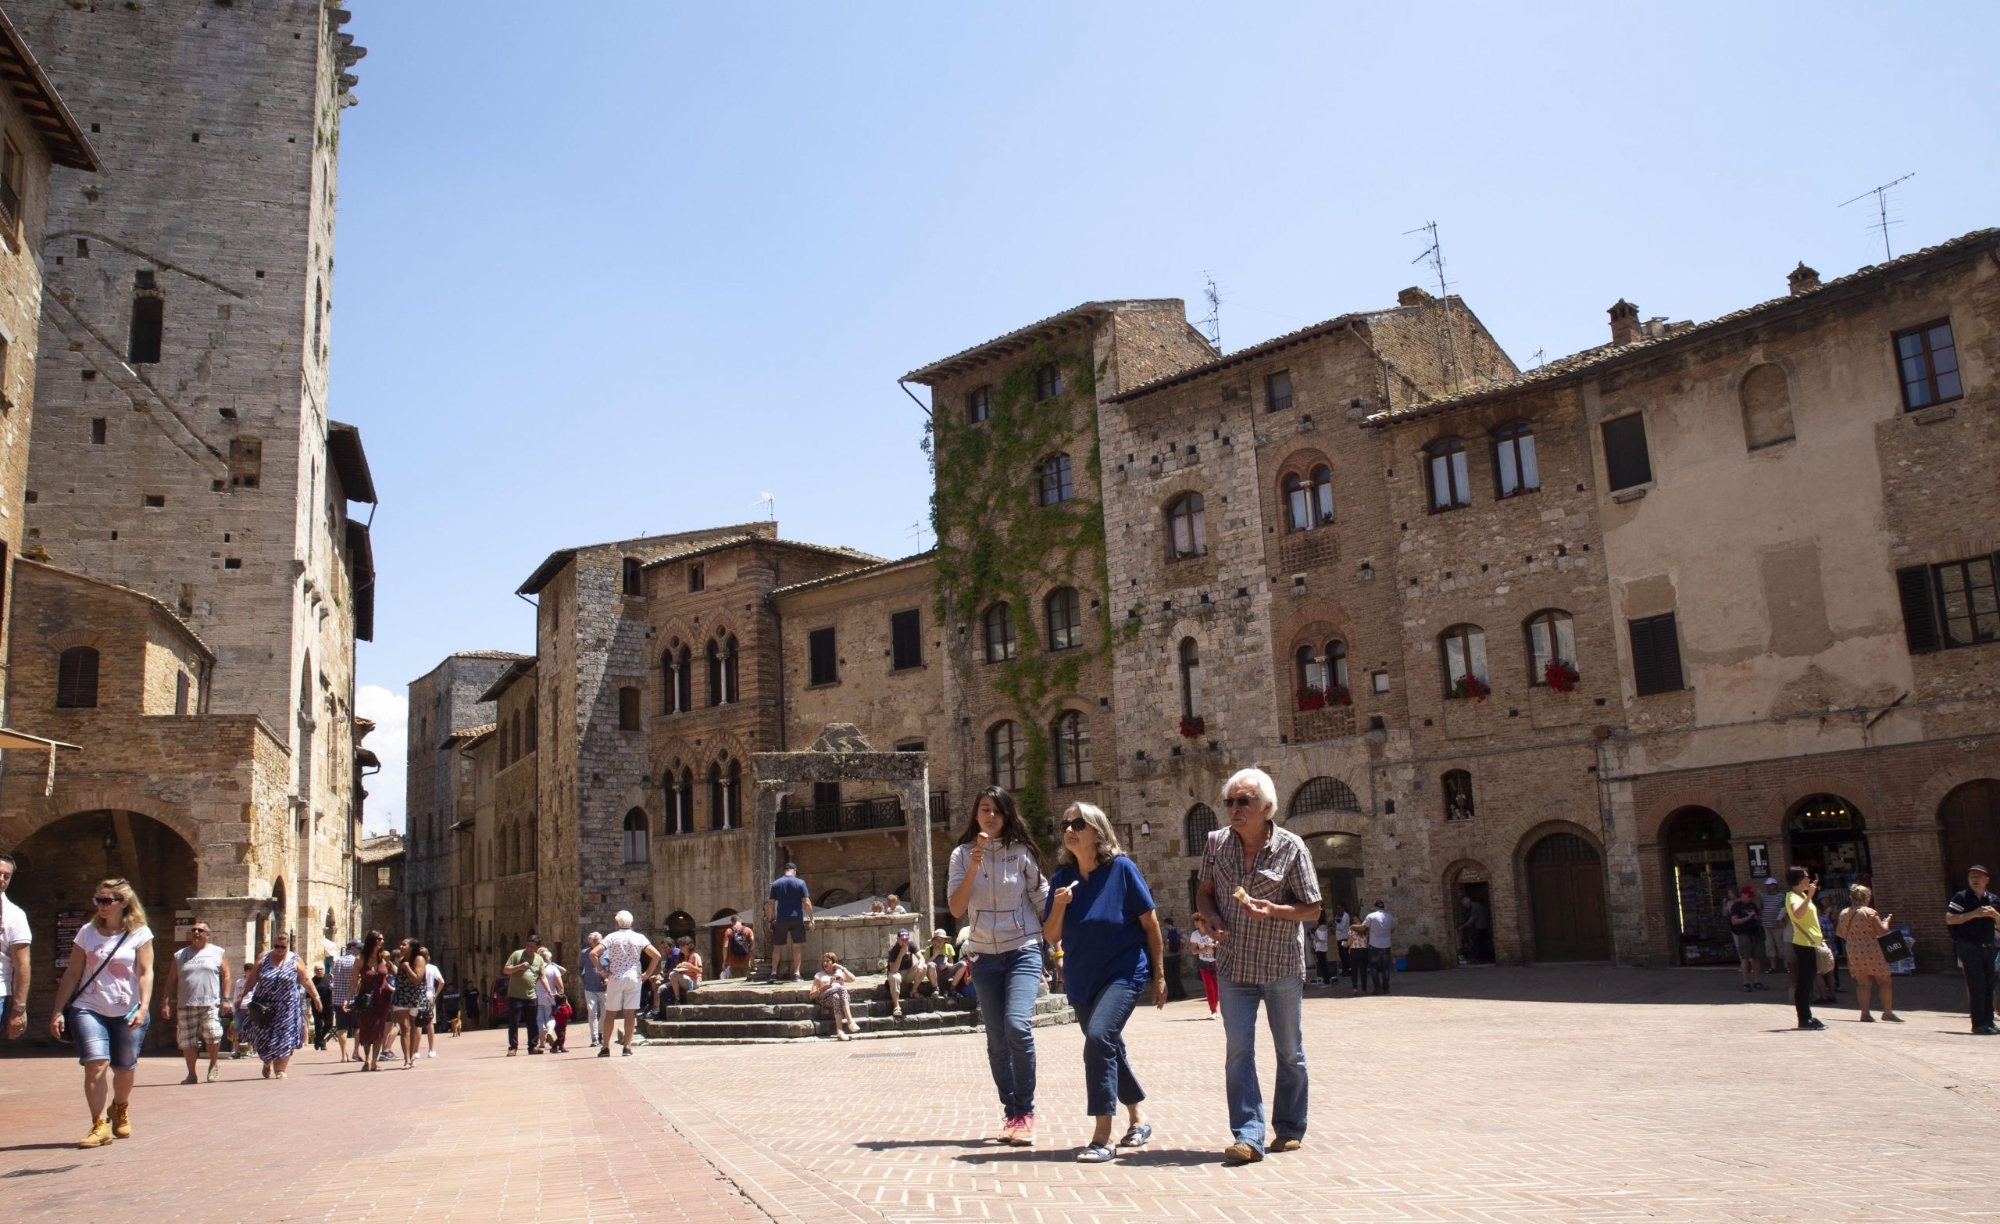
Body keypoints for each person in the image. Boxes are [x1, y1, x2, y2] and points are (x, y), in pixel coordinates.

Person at [1197, 768, 1321, 1165]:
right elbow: (1205, 893)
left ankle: (1289, 1127)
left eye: (1243, 801)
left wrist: (1276, 910)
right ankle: (1248, 1135)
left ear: (1266, 808)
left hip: (1280, 964)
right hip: (1234, 966)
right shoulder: (1216, 844)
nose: (1234, 808)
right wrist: (1211, 917)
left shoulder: (1292, 848)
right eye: (1230, 802)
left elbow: (1313, 909)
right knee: (1239, 1052)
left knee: (1290, 1053)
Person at [1043, 802, 1164, 1163]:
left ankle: (1102, 1136)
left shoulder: (1122, 870)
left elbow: (1151, 924)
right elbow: (1051, 935)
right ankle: (1139, 1117)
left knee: (1098, 1039)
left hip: (1123, 973)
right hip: (1082, 980)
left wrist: (1159, 975)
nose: (1069, 829)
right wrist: (1061, 905)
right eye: (1065, 823)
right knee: (1107, 1045)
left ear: (1097, 831)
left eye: (1078, 823)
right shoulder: (1062, 879)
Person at [948, 785, 1050, 1147]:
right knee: (995, 1040)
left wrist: (1063, 932)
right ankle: (1012, 1113)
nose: (990, 816)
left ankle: (1026, 1110)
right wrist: (974, 866)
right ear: (976, 814)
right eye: (984, 809)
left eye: (997, 811)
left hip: (1023, 948)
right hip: (983, 956)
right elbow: (957, 908)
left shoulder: (1021, 853)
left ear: (1007, 816)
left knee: (1016, 1026)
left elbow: (1042, 898)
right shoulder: (961, 855)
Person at [47, 878, 154, 1148]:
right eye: (98, 900)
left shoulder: (139, 933)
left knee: (124, 1069)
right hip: (89, 1007)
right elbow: (72, 973)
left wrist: (143, 1006)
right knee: (95, 1064)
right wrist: (58, 1011)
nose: (101, 906)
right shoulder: (87, 932)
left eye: (107, 901)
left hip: (127, 1010)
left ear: (124, 903)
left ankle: (119, 1107)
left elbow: (145, 972)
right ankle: (99, 1124)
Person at [160, 920, 231, 1083]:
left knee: (213, 1034)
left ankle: (213, 1065)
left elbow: (226, 976)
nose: (196, 933)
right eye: (194, 930)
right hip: (186, 1003)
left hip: (209, 1002)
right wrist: (165, 1003)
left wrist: (225, 999)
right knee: (187, 1040)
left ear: (208, 935)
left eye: (200, 930)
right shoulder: (180, 955)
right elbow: (171, 980)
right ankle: (192, 1074)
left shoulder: (217, 952)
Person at [244, 930, 319, 1078]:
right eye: (276, 946)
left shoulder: (295, 960)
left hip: (287, 1007)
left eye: (282, 947)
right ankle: (267, 1061)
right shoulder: (264, 957)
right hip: (264, 1005)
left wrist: (316, 997)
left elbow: (305, 980)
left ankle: (280, 1070)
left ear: (288, 947)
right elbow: (253, 979)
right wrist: (241, 995)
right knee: (263, 1036)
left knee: (285, 1037)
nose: (279, 949)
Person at [599, 910, 663, 1056]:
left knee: (611, 1013)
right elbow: (656, 955)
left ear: (617, 922)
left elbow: (593, 953)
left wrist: (602, 971)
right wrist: (647, 974)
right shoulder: (639, 937)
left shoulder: (611, 937)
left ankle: (605, 1048)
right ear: (631, 922)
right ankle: (627, 1047)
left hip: (616, 977)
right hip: (634, 977)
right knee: (630, 1013)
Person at [1945, 864, 2000, 1035]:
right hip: (1969, 947)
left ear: (1986, 880)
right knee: (1976, 985)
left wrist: (1996, 916)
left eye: (1978, 877)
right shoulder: (1961, 897)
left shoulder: (1993, 899)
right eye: (1972, 877)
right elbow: (1950, 919)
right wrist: (1974, 913)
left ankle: (1989, 1021)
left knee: (1989, 985)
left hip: (1989, 947)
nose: (1975, 880)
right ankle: (1978, 1024)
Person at [1836, 884, 1900, 1023]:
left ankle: (1865, 1013)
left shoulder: (1844, 913)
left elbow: (1839, 933)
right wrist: (1887, 922)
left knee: (1863, 983)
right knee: (1884, 981)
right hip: (1874, 951)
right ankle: (1887, 1012)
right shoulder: (1870, 913)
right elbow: (1882, 932)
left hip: (1855, 953)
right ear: (1866, 898)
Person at [1784, 867, 1826, 1031]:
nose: (1809, 880)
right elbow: (1798, 914)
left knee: (1808, 981)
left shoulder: (1801, 895)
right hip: (1803, 943)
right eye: (1806, 878)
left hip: (1811, 942)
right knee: (1804, 982)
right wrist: (1810, 896)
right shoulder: (1792, 896)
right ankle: (1803, 1018)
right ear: (1798, 880)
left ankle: (1807, 1015)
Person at [502, 933, 549, 1056]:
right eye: (528, 946)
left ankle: (533, 1047)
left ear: (537, 948)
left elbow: (542, 977)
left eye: (532, 947)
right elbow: (506, 970)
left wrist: (549, 991)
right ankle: (513, 1048)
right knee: (514, 1023)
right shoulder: (517, 954)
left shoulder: (539, 959)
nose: (529, 949)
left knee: (532, 1022)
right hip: (515, 995)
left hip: (531, 996)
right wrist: (519, 967)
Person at [0, 853, 31, 1042]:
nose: (2, 879)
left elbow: (23, 966)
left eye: (6, 875)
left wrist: (19, 1009)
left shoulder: (14, 916)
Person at [352, 931, 393, 1069]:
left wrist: (393, 987)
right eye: (379, 939)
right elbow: (354, 981)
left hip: (382, 997)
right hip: (365, 997)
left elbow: (389, 974)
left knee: (379, 1028)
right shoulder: (360, 959)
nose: (382, 941)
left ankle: (374, 1061)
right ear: (372, 941)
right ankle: (367, 1059)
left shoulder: (384, 956)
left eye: (382, 939)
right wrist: (347, 999)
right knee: (366, 1027)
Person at [766, 863, 813, 982]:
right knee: (796, 946)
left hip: (781, 918)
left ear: (785, 870)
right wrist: (811, 919)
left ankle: (773, 973)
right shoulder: (800, 883)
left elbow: (770, 904)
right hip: (796, 918)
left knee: (777, 947)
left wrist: (769, 920)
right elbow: (806, 902)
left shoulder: (776, 884)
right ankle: (796, 974)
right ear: (795, 871)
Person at [389, 938, 427, 1067]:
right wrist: (391, 967)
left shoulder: (419, 960)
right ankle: (407, 1059)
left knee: (414, 1028)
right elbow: (400, 977)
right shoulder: (401, 960)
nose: (401, 946)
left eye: (404, 944)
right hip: (401, 997)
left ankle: (412, 1056)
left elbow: (416, 980)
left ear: (411, 947)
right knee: (405, 1028)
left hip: (415, 998)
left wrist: (406, 967)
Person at [809, 951, 861, 1039]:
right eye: (824, 961)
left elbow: (853, 979)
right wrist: (823, 987)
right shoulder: (819, 975)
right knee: (840, 987)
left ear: (833, 963)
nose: (825, 963)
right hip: (824, 998)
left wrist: (842, 968)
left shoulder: (840, 973)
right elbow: (811, 995)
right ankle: (850, 1021)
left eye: (828, 961)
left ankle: (839, 1031)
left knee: (836, 996)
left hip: (840, 999)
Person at [1726, 886, 1766, 991]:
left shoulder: (1753, 905)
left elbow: (1758, 916)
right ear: (1743, 894)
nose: (1750, 898)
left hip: (1755, 934)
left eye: (1752, 896)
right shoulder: (1736, 906)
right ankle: (1745, 982)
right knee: (1745, 958)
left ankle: (1757, 981)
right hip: (1743, 934)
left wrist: (1757, 918)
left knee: (1757, 958)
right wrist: (1748, 917)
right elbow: (1734, 921)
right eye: (1749, 896)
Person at [327, 938, 360, 1063]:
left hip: (337, 999)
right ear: (352, 948)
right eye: (358, 948)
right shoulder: (355, 961)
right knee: (357, 1027)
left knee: (342, 1027)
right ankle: (356, 1051)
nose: (360, 950)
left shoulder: (338, 961)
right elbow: (356, 981)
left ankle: (343, 1055)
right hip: (352, 998)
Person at [883, 928, 922, 1019]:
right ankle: (896, 1006)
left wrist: (920, 964)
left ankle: (913, 991)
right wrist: (901, 954)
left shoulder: (911, 945)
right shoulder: (893, 949)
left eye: (906, 939)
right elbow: (893, 970)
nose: (904, 941)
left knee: (924, 967)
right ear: (898, 939)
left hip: (908, 972)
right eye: (902, 939)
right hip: (897, 973)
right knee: (894, 977)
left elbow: (921, 958)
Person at [580, 931, 608, 1047]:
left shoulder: (607, 953)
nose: (599, 944)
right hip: (589, 987)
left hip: (604, 988)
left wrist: (608, 979)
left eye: (601, 941)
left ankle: (601, 1032)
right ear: (590, 943)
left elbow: (612, 968)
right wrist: (584, 979)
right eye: (596, 942)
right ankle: (594, 1037)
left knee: (606, 1011)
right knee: (592, 1012)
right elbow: (580, 968)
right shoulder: (584, 953)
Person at [1361, 900, 1396, 994]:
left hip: (1374, 944)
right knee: (1386, 967)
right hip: (1386, 944)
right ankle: (1386, 988)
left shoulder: (1371, 916)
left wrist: (1353, 927)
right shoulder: (1389, 917)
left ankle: (1377, 988)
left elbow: (1364, 927)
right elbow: (1392, 930)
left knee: (1374, 967)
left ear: (1375, 906)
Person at [1189, 913, 1220, 1017]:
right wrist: (1204, 949)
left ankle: (1218, 1007)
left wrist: (1214, 945)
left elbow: (1220, 942)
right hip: (1204, 963)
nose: (1195, 923)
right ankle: (1213, 1010)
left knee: (1217, 986)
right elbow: (1193, 951)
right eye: (1195, 921)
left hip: (1215, 962)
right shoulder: (1195, 935)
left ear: (1202, 921)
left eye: (1197, 920)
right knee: (1208, 987)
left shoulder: (1211, 931)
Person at [1758, 876, 1788, 978]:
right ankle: (1773, 966)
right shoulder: (1763, 896)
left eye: (1770, 885)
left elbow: (1785, 908)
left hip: (1778, 925)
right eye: (1767, 885)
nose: (1768, 887)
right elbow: (1761, 907)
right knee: (1769, 946)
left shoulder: (1781, 896)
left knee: (1781, 945)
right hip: (1766, 924)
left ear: (1775, 886)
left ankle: (1786, 965)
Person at [537, 953, 566, 1050]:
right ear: (548, 959)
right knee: (551, 1017)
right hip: (550, 996)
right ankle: (549, 1031)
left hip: (537, 997)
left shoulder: (535, 969)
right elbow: (560, 985)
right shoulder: (553, 969)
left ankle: (541, 1043)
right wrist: (561, 996)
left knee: (539, 1019)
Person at [420, 947, 444, 1057]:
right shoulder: (433, 968)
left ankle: (415, 1051)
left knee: (417, 1025)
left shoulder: (415, 967)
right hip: (430, 995)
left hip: (418, 996)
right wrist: (435, 995)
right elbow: (441, 982)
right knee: (430, 1024)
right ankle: (431, 1050)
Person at [665, 936, 702, 1004]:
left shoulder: (695, 956)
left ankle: (677, 999)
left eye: (682, 945)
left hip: (694, 981)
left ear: (688, 946)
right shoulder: (682, 957)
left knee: (672, 975)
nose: (680, 948)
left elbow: (700, 971)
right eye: (680, 945)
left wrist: (690, 966)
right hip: (685, 979)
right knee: (662, 987)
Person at [924, 928, 958, 996]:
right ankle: (935, 989)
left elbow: (952, 964)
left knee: (963, 964)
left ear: (944, 940)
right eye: (937, 939)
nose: (939, 941)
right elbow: (925, 964)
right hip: (933, 972)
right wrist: (934, 956)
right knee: (930, 965)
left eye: (941, 939)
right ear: (934, 940)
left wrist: (946, 965)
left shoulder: (949, 947)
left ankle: (952, 988)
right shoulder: (929, 949)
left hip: (946, 972)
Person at [722, 914, 755, 980]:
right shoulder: (748, 930)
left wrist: (724, 960)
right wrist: (750, 949)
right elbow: (753, 941)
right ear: (741, 920)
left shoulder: (729, 931)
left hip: (733, 960)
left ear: (732, 922)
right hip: (746, 959)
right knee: (747, 979)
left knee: (735, 980)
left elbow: (725, 946)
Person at [1161, 916, 1186, 1001]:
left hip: (1167, 956)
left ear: (1166, 923)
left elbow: (1160, 943)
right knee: (1176, 975)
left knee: (1168, 975)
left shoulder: (1163, 931)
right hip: (1177, 955)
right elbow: (1187, 939)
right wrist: (1182, 949)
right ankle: (1180, 993)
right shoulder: (1178, 931)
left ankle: (1170, 995)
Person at [309, 966, 332, 1050]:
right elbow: (308, 996)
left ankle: (317, 1039)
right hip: (316, 1005)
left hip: (328, 1004)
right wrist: (308, 1009)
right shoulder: (312, 981)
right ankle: (322, 1044)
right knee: (318, 1024)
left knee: (329, 1024)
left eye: (321, 969)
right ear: (315, 971)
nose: (319, 971)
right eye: (317, 970)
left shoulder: (328, 978)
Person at [1330, 904, 1353, 988]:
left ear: (1343, 908)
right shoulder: (1338, 916)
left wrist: (1334, 925)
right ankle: (1344, 969)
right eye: (1337, 908)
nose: (1338, 909)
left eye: (1339, 908)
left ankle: (1348, 970)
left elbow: (1342, 927)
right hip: (1339, 938)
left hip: (1344, 937)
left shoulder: (1345, 916)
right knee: (1341, 955)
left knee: (1345, 954)